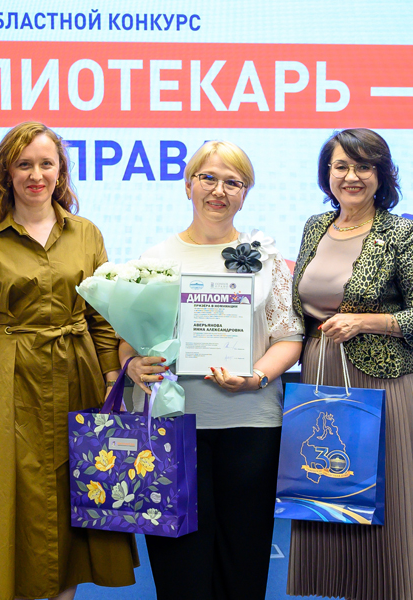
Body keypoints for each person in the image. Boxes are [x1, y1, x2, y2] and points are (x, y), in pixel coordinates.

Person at [0, 122, 138, 600]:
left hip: (79, 375)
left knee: (79, 494)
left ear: (60, 171)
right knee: (17, 495)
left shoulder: (86, 233)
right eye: (24, 164)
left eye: (46, 164)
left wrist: (112, 386)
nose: (36, 175)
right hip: (9, 382)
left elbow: (102, 317)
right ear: (6, 173)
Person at [120, 140, 303, 600]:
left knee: (243, 559)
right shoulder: (154, 259)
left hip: (251, 423)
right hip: (172, 427)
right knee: (178, 564)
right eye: (208, 178)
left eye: (232, 182)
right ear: (188, 185)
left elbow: (289, 336)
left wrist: (256, 377)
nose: (219, 190)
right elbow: (129, 339)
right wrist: (131, 363)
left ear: (245, 193)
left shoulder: (266, 259)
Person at [288, 128, 413, 600]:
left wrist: (365, 322)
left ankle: (389, 588)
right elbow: (300, 306)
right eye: (341, 166)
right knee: (322, 484)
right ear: (327, 174)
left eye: (363, 166)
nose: (351, 176)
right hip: (319, 370)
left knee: (380, 492)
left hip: (380, 380)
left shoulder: (401, 233)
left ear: (381, 174)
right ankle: (336, 586)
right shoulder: (316, 226)